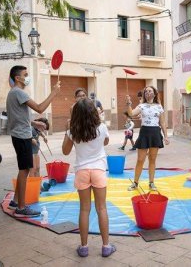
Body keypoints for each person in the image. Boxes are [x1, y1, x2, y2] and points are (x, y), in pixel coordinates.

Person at [62, 99, 116, 258]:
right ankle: (106, 246)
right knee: (102, 208)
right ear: (94, 112)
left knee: (84, 209)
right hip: (98, 170)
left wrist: (67, 130)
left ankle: (84, 247)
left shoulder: (73, 130)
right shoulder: (102, 127)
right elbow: (105, 142)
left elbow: (65, 151)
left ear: (76, 114)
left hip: (82, 172)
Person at [6, 65, 61, 217]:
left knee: (22, 170)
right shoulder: (18, 92)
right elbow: (39, 108)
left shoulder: (13, 93)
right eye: (26, 74)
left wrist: (33, 123)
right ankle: (21, 207)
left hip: (19, 134)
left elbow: (17, 116)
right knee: (25, 171)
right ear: (18, 78)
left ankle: (15, 201)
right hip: (22, 136)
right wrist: (54, 93)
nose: (27, 77)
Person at [126, 86, 169, 191]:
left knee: (152, 159)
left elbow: (162, 122)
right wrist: (128, 103)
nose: (148, 93)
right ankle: (135, 183)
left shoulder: (159, 106)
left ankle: (151, 182)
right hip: (144, 133)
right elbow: (131, 114)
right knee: (140, 160)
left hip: (155, 133)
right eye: (146, 91)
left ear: (154, 93)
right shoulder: (141, 106)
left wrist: (166, 136)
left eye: (150, 91)